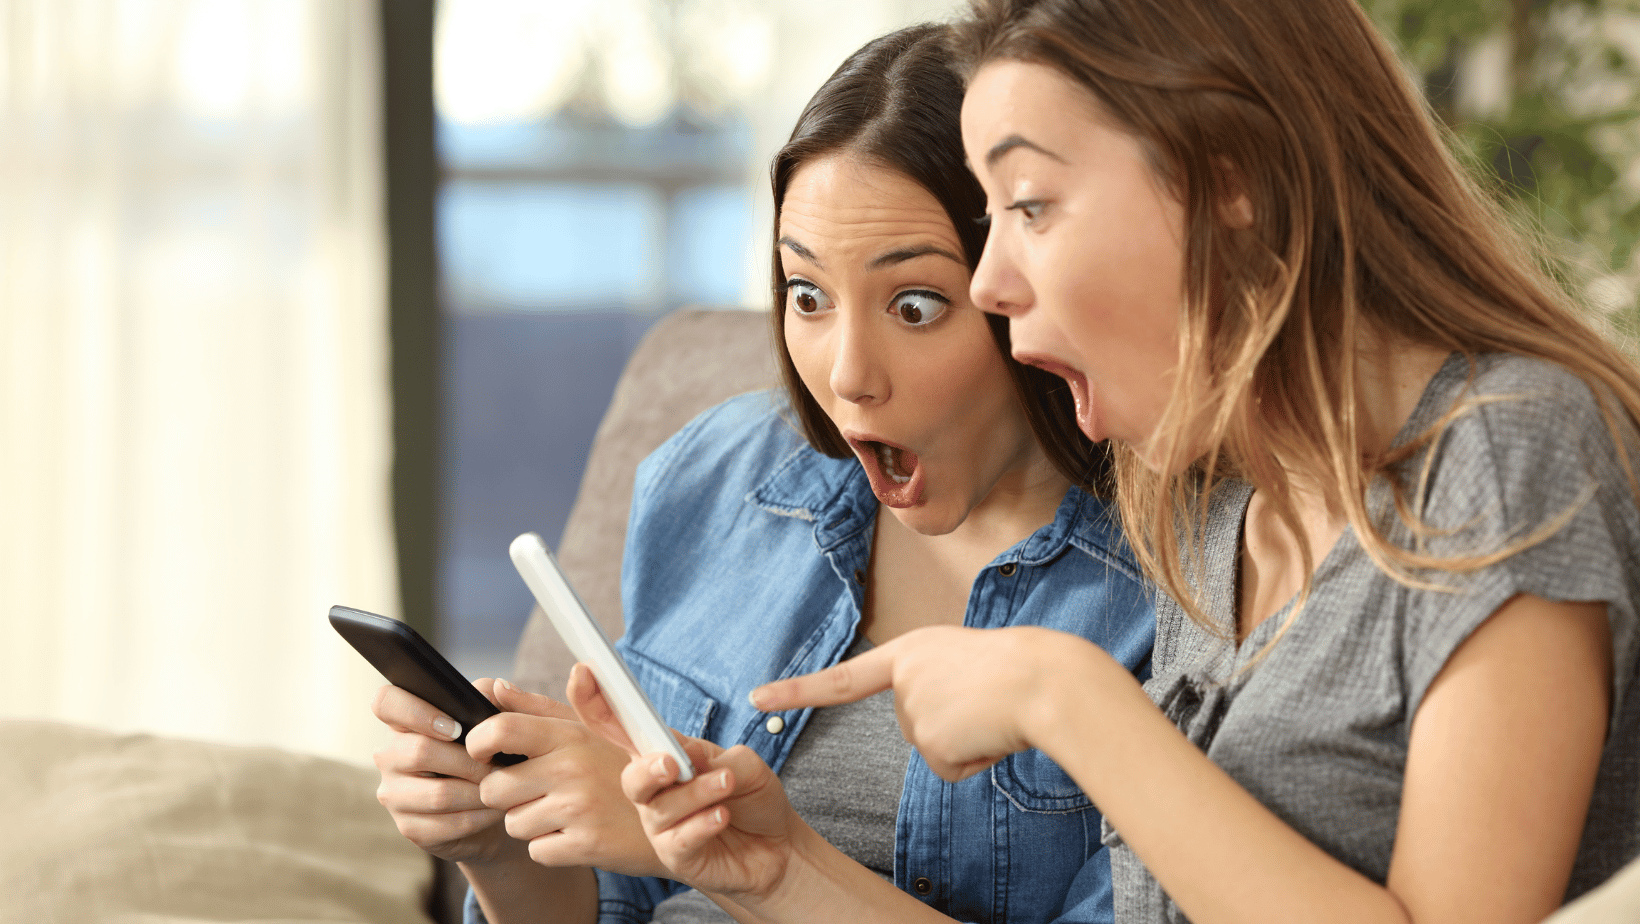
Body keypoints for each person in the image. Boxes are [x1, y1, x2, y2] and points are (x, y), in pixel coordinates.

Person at [606, 2, 1640, 923]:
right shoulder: (1207, 513)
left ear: (1227, 181)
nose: (992, 283)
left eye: (1029, 206)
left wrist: (1064, 697)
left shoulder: (1507, 446)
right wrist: (778, 869)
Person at [368, 22, 1154, 924]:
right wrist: (502, 846)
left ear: (1022, 286)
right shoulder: (720, 474)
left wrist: (756, 864)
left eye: (914, 305)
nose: (848, 375)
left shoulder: (1166, 594)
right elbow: (615, 901)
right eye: (808, 296)